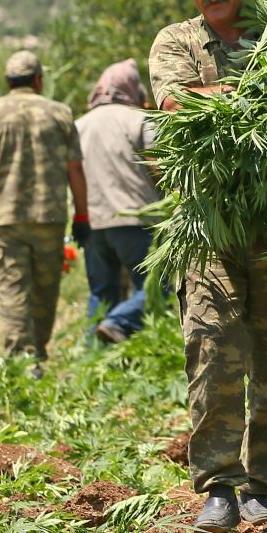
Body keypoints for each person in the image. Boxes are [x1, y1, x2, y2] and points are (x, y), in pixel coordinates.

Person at [148, 0, 267, 533]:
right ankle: (218, 483)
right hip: (210, 228)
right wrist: (258, 92)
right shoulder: (176, 41)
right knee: (213, 350)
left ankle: (262, 482)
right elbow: (176, 103)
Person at [0, 51, 90, 376]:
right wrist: (82, 215)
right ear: (38, 80)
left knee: (13, 289)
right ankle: (39, 352)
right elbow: (74, 168)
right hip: (49, 217)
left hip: (3, 220)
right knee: (46, 289)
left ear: (8, 81)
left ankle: (24, 361)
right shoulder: (59, 113)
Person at [75, 58, 162, 345]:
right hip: (135, 220)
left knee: (101, 293)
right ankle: (119, 324)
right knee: (157, 288)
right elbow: (158, 165)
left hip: (92, 223)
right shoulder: (138, 119)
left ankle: (91, 362)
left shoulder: (78, 126)